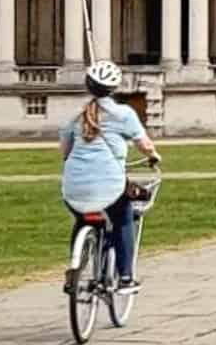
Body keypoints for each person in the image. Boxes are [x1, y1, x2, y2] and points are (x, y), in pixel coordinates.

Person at [60, 61, 160, 296]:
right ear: (114, 88)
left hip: (73, 187)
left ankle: (76, 266)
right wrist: (154, 156)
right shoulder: (124, 114)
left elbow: (65, 151)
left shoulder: (76, 116)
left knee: (82, 219)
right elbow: (144, 144)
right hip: (109, 185)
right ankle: (125, 277)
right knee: (124, 218)